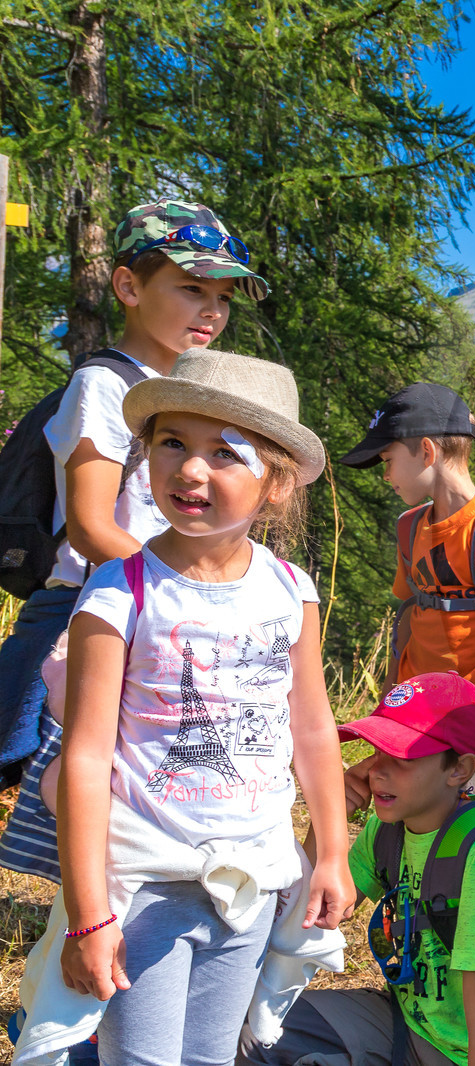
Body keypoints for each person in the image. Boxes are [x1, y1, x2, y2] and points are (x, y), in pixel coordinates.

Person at [14, 349, 354, 1066]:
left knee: (209, 1055)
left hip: (254, 882)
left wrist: (332, 851)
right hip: (144, 884)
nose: (190, 470)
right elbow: (86, 756)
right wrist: (87, 913)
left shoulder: (293, 591)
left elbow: (314, 728)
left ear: (277, 485)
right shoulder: (118, 592)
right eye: (172, 442)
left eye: (224, 453)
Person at [0, 198, 269, 881]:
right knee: (18, 753)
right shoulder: (103, 385)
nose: (211, 310)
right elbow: (92, 526)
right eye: (190, 288)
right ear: (127, 287)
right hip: (86, 607)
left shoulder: (186, 393)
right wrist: (191, 591)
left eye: (223, 296)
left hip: (152, 609)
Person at [241, 672, 475, 1066]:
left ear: (459, 769)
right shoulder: (387, 829)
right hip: (406, 1023)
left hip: (466, 1052)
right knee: (255, 1035)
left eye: (401, 757)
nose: (377, 771)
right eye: (377, 750)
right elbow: (307, 914)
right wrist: (329, 819)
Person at [338, 383, 475, 797]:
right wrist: (386, 717)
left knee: (469, 841)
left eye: (388, 459)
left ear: (428, 452)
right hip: (413, 713)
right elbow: (408, 628)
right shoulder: (408, 528)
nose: (385, 474)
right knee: (401, 830)